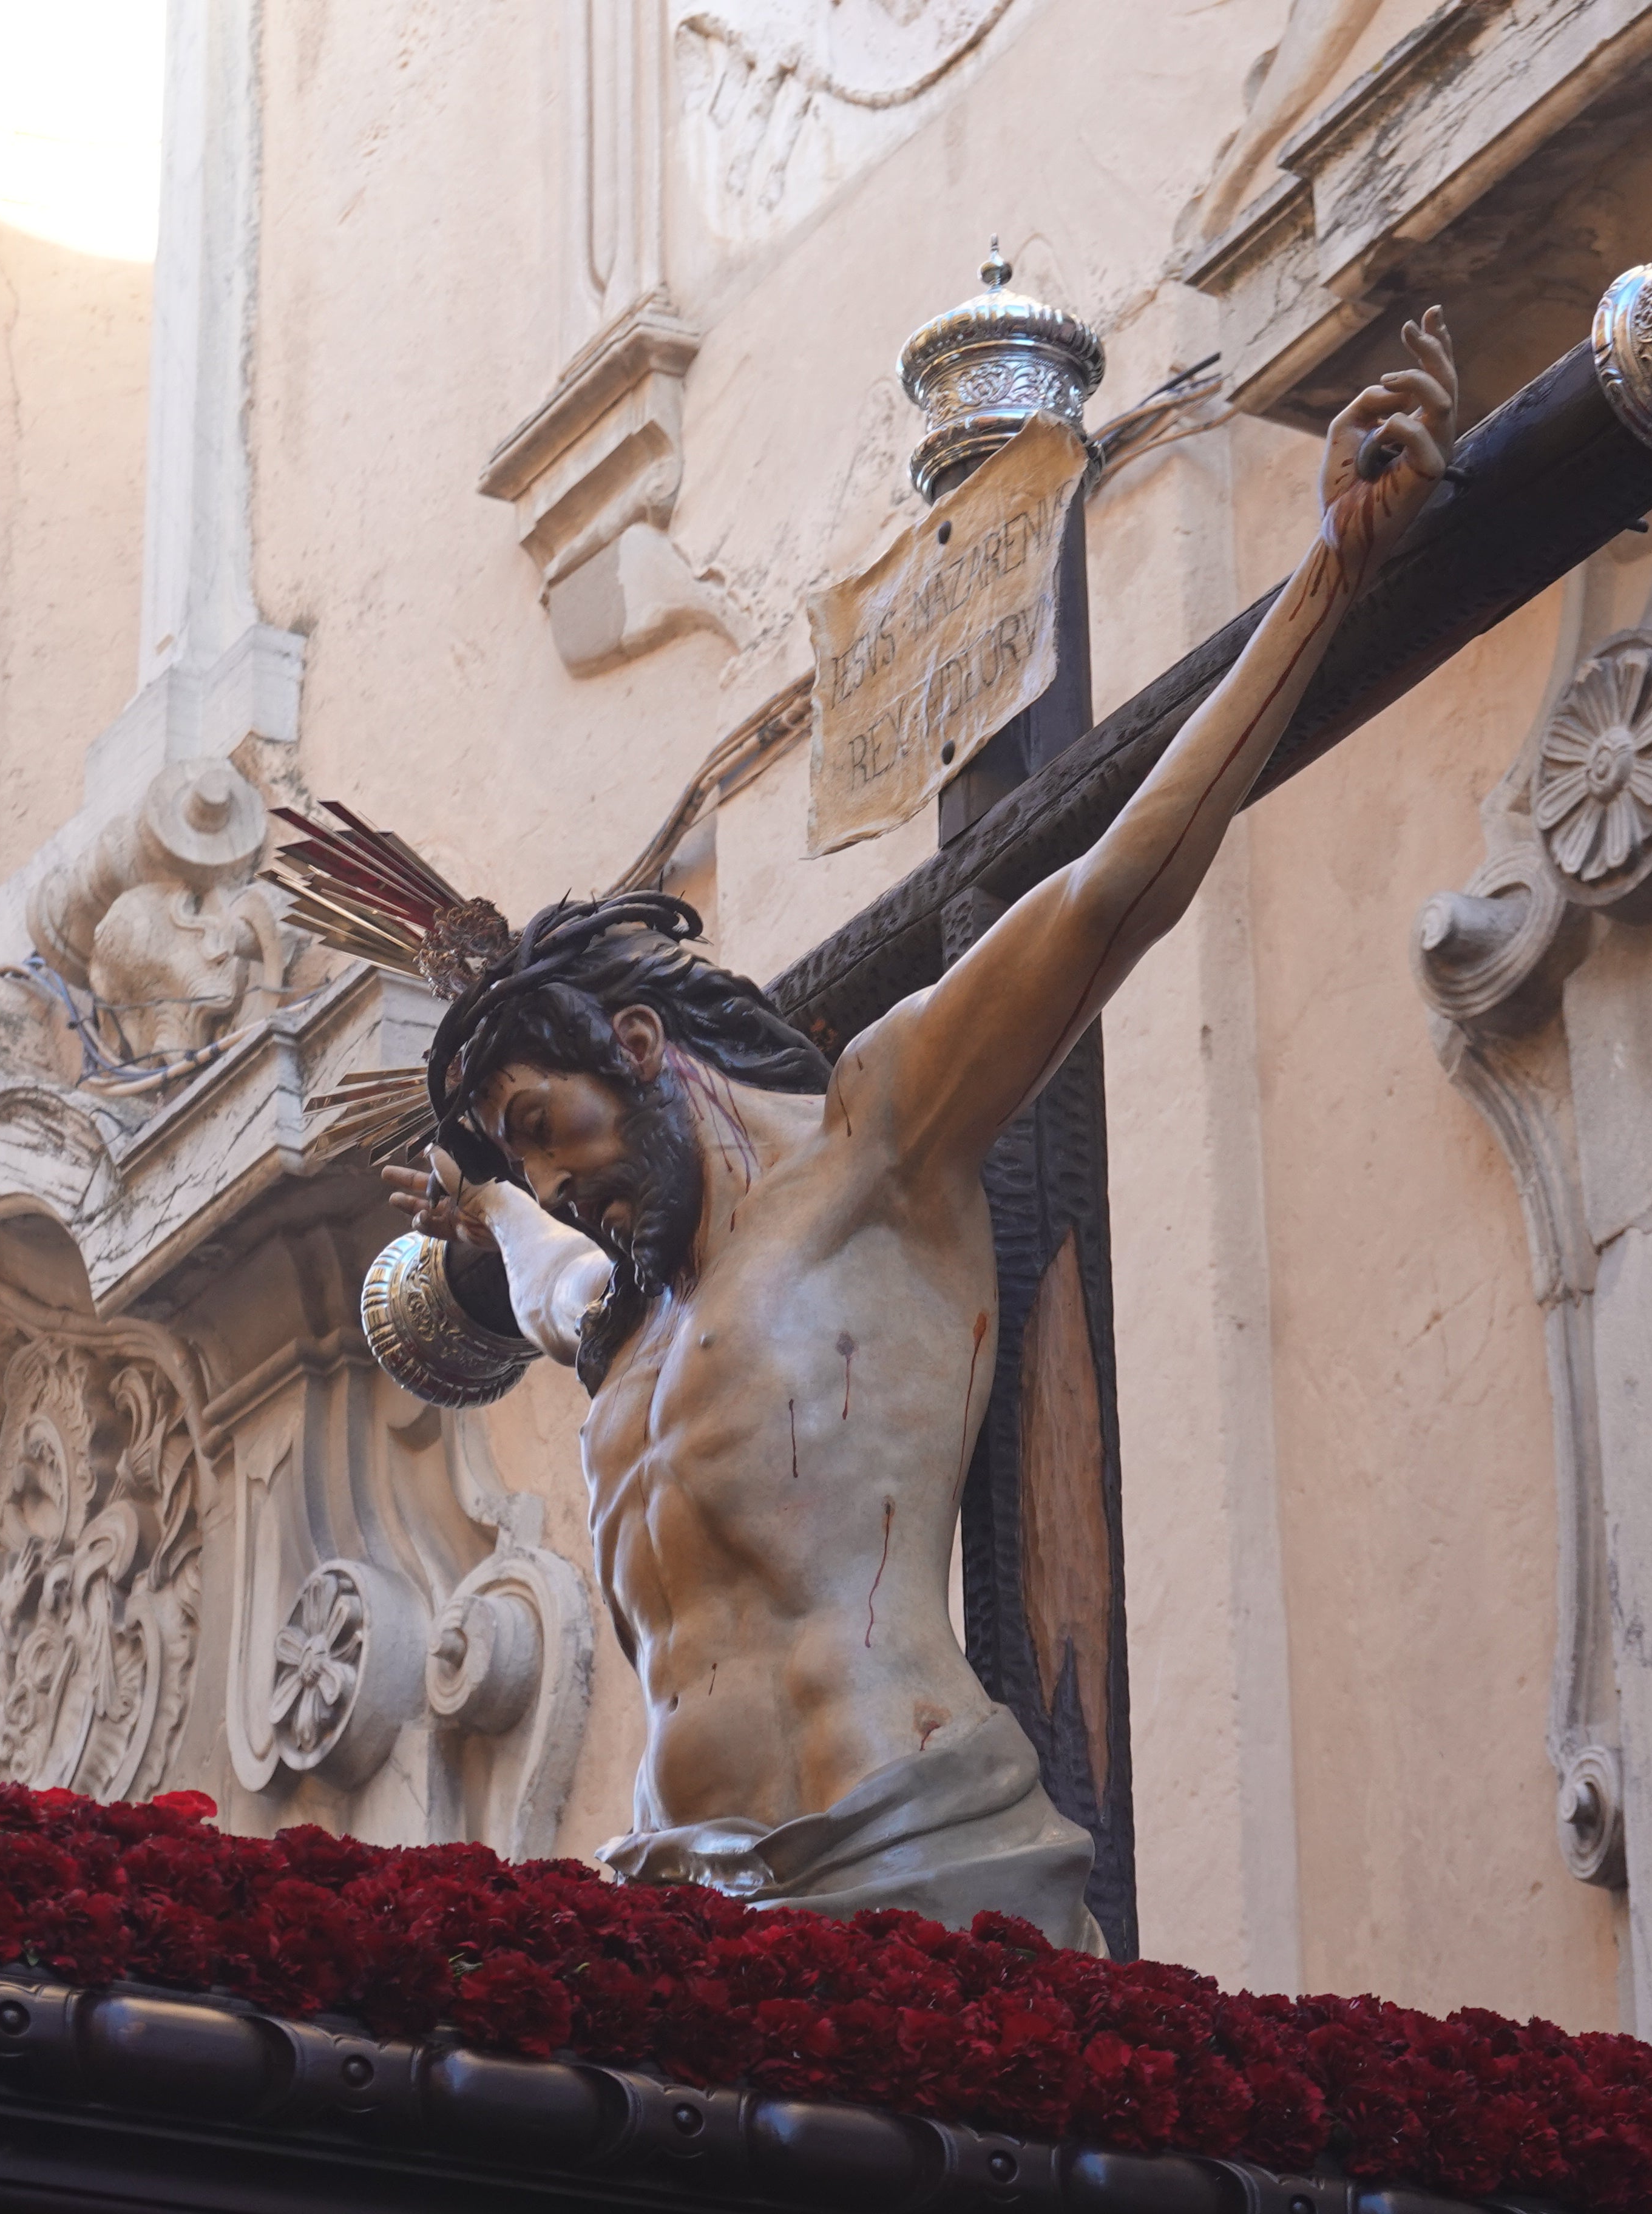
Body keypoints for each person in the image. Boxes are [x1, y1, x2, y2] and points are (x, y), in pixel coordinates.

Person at [383, 310, 1458, 1941]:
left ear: (646, 1048)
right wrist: (488, 1206)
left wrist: (1328, 581)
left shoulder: (879, 1144)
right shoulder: (617, 1316)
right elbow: (531, 1257)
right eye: (527, 1160)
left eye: (551, 1126)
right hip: (682, 1905)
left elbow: (1107, 900)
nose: (558, 1184)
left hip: (906, 1855)